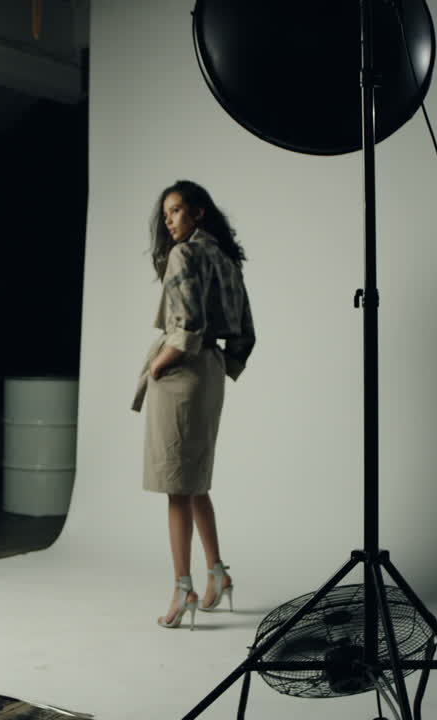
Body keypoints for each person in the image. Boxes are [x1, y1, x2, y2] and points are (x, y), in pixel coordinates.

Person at [131, 180, 255, 630]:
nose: (169, 221)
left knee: (177, 488)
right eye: (166, 214)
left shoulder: (185, 255)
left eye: (177, 211)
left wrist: (159, 366)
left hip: (182, 375)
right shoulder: (223, 257)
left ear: (198, 213)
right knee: (195, 479)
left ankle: (182, 588)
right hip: (210, 372)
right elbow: (245, 331)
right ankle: (217, 573)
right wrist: (216, 363)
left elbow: (184, 329)